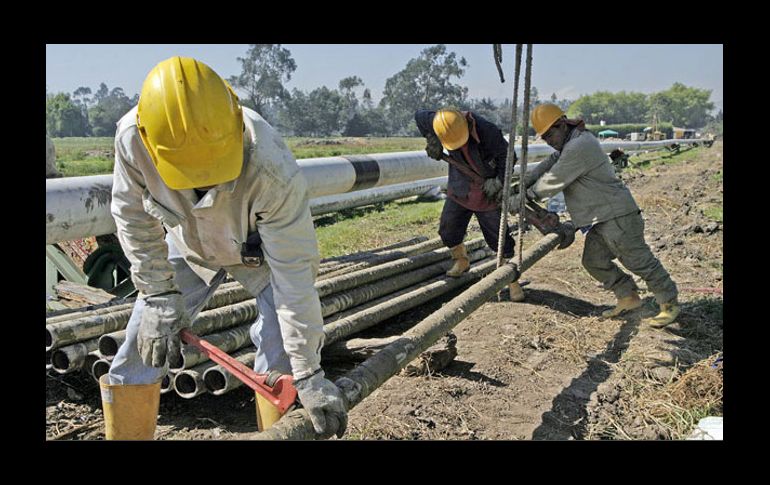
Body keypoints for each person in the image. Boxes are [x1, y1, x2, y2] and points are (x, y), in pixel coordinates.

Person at [100, 56, 347, 440]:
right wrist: (158, 294)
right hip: (187, 244)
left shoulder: (271, 166)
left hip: (257, 251)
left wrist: (310, 373)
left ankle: (277, 430)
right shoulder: (134, 138)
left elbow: (294, 274)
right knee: (140, 346)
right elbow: (133, 219)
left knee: (279, 350)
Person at [508, 103, 679, 327]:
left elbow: (553, 180)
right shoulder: (570, 143)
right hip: (601, 218)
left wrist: (524, 197)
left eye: (550, 134)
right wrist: (519, 186)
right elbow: (547, 164)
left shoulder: (579, 145)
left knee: (639, 261)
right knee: (593, 261)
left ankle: (669, 303)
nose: (548, 140)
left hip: (616, 216)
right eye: (544, 137)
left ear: (562, 125)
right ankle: (628, 297)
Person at [415, 108, 524, 302]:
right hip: (461, 186)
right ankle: (461, 260)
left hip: (486, 190)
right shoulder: (438, 121)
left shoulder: (487, 131)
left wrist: (498, 180)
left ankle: (511, 280)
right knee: (448, 229)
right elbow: (419, 116)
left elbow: (508, 156)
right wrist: (431, 138)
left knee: (499, 238)